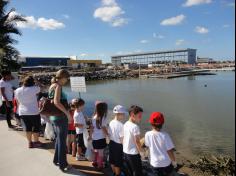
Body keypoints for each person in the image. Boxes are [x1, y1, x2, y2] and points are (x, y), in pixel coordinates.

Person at [48, 69, 72, 172]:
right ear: (63, 77)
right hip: (61, 117)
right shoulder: (58, 86)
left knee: (59, 139)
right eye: (67, 78)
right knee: (62, 141)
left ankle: (56, 160)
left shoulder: (52, 85)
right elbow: (56, 102)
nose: (67, 80)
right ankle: (63, 164)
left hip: (54, 117)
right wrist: (68, 114)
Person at [145, 112, 178, 176]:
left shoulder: (147, 134)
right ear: (162, 123)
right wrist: (174, 161)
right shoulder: (165, 135)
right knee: (168, 173)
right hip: (166, 163)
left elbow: (148, 146)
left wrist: (146, 155)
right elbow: (169, 151)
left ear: (151, 123)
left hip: (155, 163)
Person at [14, 76, 42, 148]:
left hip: (23, 111)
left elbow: (17, 101)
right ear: (32, 82)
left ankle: (30, 142)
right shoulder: (34, 88)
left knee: (28, 128)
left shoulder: (17, 90)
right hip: (33, 111)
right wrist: (36, 80)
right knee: (36, 127)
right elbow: (40, 87)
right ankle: (36, 141)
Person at [123, 105, 144, 176]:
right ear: (132, 115)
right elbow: (137, 141)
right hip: (133, 154)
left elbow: (124, 138)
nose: (141, 118)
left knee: (130, 170)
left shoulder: (125, 124)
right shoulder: (135, 127)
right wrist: (141, 153)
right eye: (139, 116)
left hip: (125, 152)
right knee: (137, 171)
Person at [108, 105, 127, 176]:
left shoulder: (111, 122)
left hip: (111, 143)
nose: (124, 115)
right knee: (118, 162)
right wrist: (125, 148)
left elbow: (109, 134)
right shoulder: (121, 125)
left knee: (112, 160)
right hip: (118, 145)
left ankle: (114, 172)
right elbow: (122, 139)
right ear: (119, 114)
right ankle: (117, 174)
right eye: (123, 114)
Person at [91, 101, 108, 169]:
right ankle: (100, 165)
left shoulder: (94, 117)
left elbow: (92, 128)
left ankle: (94, 162)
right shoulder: (103, 118)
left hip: (94, 138)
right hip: (101, 138)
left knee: (96, 151)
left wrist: (90, 136)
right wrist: (108, 134)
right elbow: (104, 128)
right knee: (101, 153)